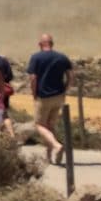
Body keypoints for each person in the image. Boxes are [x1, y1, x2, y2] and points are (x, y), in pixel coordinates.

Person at [27, 32, 75, 165]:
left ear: (40, 44)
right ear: (52, 44)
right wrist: (65, 90)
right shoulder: (62, 57)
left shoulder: (36, 58)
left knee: (39, 125)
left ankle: (56, 145)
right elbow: (71, 76)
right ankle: (49, 157)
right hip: (59, 96)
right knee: (50, 126)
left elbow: (33, 78)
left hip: (43, 96)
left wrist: (34, 93)